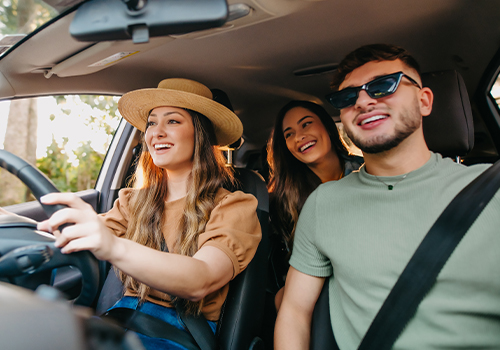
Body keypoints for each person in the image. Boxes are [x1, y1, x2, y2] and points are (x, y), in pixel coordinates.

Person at [274, 44, 500, 349]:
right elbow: (294, 312)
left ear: (425, 101)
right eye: (347, 97)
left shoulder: (491, 191)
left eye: (383, 86)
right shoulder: (322, 203)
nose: (364, 101)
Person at [34, 78, 261, 349]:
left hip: (178, 333)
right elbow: (82, 235)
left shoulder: (234, 206)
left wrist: (113, 246)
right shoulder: (133, 201)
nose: (157, 132)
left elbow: (201, 279)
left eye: (173, 121)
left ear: (200, 134)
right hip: (119, 320)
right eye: (152, 123)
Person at [266, 100, 362, 309]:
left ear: (327, 126)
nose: (299, 137)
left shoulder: (367, 172)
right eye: (288, 134)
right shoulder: (283, 200)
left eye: (306, 124)